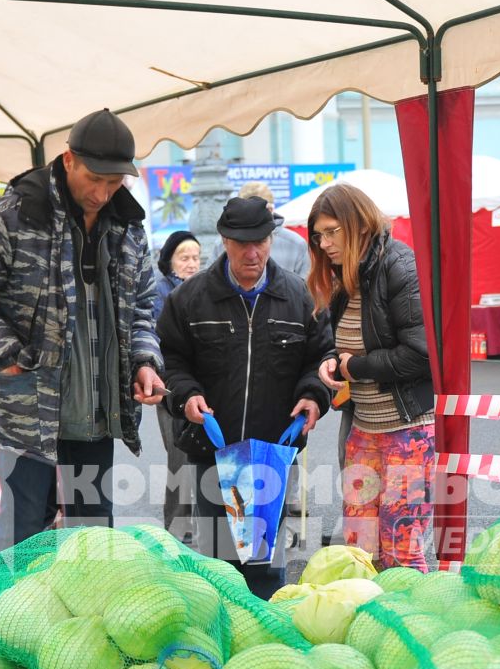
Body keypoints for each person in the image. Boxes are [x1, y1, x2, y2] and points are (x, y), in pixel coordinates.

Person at [0, 108, 167, 554]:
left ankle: (82, 624)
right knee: (23, 547)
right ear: (67, 160)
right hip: (27, 412)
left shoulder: (129, 227)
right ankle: (10, 624)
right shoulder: (18, 213)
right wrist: (4, 350)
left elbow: (141, 307)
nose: (101, 193)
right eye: (93, 178)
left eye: (113, 183)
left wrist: (144, 360)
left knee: (94, 547)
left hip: (96, 412)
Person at [159, 196, 331, 596]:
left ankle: (265, 646)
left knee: (267, 567)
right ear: (223, 240)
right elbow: (169, 359)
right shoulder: (189, 299)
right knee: (220, 567)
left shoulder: (299, 297)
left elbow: (322, 356)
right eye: (241, 243)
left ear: (271, 239)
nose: (252, 252)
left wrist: (314, 395)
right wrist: (185, 396)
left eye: (261, 241)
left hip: (273, 452)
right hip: (211, 452)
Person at [308, 181, 435, 571]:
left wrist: (353, 368)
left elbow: (420, 354)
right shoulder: (344, 273)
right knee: (359, 546)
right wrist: (331, 360)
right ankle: (369, 623)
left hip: (408, 428)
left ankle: (411, 624)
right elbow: (345, 339)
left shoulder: (400, 265)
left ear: (360, 225)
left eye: (333, 232)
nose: (325, 243)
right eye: (318, 236)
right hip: (364, 428)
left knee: (401, 545)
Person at [151, 231, 201, 541]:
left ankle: (197, 522)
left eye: (196, 257)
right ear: (170, 261)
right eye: (185, 258)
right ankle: (176, 527)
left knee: (201, 454)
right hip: (168, 384)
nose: (192, 264)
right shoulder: (160, 291)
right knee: (178, 456)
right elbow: (157, 339)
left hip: (201, 385)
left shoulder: (202, 288)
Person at [205, 182, 312, 280]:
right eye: (241, 243)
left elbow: (305, 291)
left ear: (270, 210)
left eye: (260, 242)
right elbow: (209, 280)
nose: (251, 255)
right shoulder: (222, 242)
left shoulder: (296, 243)